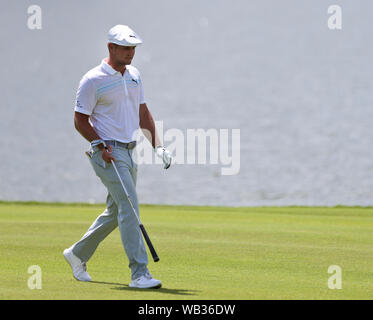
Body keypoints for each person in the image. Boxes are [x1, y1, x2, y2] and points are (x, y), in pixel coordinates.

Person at [63, 25, 172, 289]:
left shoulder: (134, 75)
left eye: (133, 48)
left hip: (129, 150)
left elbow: (143, 114)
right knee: (131, 208)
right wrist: (99, 145)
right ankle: (139, 274)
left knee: (116, 210)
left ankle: (77, 253)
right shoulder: (93, 80)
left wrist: (158, 146)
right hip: (107, 153)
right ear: (111, 47)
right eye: (125, 48)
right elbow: (80, 120)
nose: (131, 53)